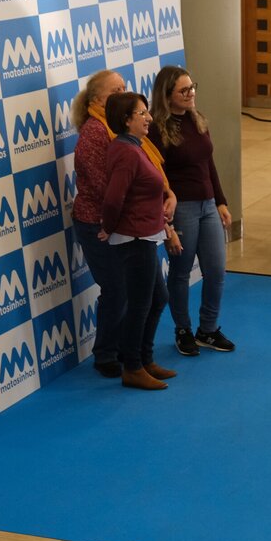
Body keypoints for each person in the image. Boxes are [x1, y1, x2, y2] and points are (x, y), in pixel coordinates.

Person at [71, 70, 177, 378]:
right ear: (96, 100)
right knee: (118, 290)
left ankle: (137, 356)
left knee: (151, 295)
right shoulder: (95, 134)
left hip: (134, 225)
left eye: (123, 88)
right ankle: (109, 354)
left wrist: (166, 196)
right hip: (103, 225)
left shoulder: (126, 136)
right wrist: (151, 214)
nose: (123, 94)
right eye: (115, 91)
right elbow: (108, 190)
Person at [150, 67, 235, 356]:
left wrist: (220, 201)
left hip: (208, 204)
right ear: (167, 96)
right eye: (183, 90)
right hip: (182, 208)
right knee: (181, 271)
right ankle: (183, 329)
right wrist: (167, 224)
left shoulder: (197, 119)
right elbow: (156, 176)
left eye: (192, 87)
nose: (191, 94)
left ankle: (208, 329)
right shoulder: (157, 129)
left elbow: (208, 164)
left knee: (216, 270)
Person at [99, 92, 178, 390]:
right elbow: (113, 199)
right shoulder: (126, 152)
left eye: (147, 112)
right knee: (141, 304)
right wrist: (109, 227)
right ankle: (132, 367)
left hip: (144, 235)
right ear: (125, 120)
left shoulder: (135, 147)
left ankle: (144, 359)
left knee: (158, 298)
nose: (149, 118)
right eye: (142, 113)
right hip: (134, 238)